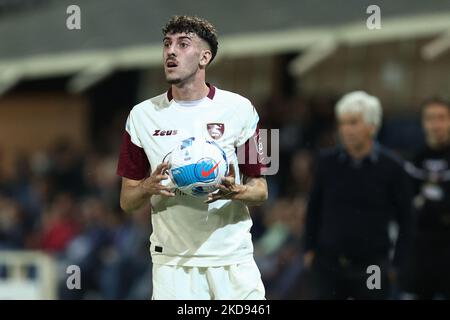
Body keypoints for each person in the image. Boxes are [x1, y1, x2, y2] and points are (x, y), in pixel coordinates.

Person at [116, 15, 268, 300]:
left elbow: (262, 190)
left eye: (183, 44)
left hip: (233, 259)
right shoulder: (141, 116)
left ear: (204, 57)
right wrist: (147, 186)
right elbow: (126, 202)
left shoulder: (242, 109)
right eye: (167, 44)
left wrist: (238, 192)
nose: (171, 51)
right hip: (173, 264)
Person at [303, 91, 412, 299]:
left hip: (373, 265)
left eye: (353, 122)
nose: (346, 130)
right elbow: (313, 208)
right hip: (328, 263)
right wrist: (309, 250)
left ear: (372, 126)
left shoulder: (393, 167)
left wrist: (397, 264)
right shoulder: (326, 162)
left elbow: (407, 219)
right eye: (342, 123)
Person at [401, 97, 450, 299]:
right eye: (430, 118)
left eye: (442, 118)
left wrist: (426, 205)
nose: (436, 124)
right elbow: (406, 206)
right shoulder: (413, 159)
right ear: (422, 123)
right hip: (419, 250)